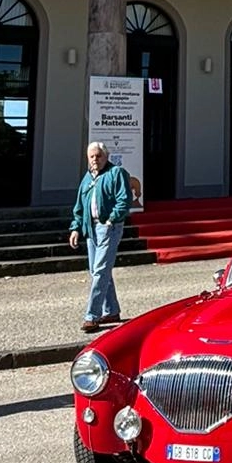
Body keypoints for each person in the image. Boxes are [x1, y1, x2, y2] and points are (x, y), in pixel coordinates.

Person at [69, 142, 132, 333]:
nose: (95, 160)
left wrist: (112, 219)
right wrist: (76, 228)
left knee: (100, 270)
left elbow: (124, 199)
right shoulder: (88, 178)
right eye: (91, 157)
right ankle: (111, 311)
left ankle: (92, 316)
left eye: (98, 156)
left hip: (108, 227)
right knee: (98, 271)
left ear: (106, 157)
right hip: (91, 228)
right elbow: (80, 206)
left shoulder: (117, 173)